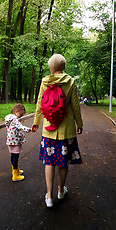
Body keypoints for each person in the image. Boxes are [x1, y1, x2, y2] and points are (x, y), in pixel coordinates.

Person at [32, 54, 83, 207]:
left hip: (49, 129)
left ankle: (49, 196)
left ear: (51, 67)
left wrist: (36, 122)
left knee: (49, 162)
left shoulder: (45, 81)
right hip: (66, 130)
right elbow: (75, 106)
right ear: (64, 67)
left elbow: (40, 104)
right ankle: (61, 191)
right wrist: (79, 123)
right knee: (63, 162)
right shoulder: (71, 82)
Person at [5, 103, 33, 182]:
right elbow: (20, 127)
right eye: (21, 115)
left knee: (13, 155)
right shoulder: (14, 119)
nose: (20, 117)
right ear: (17, 111)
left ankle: (16, 170)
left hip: (11, 140)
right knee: (15, 156)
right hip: (15, 141)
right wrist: (29, 129)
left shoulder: (9, 119)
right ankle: (15, 175)